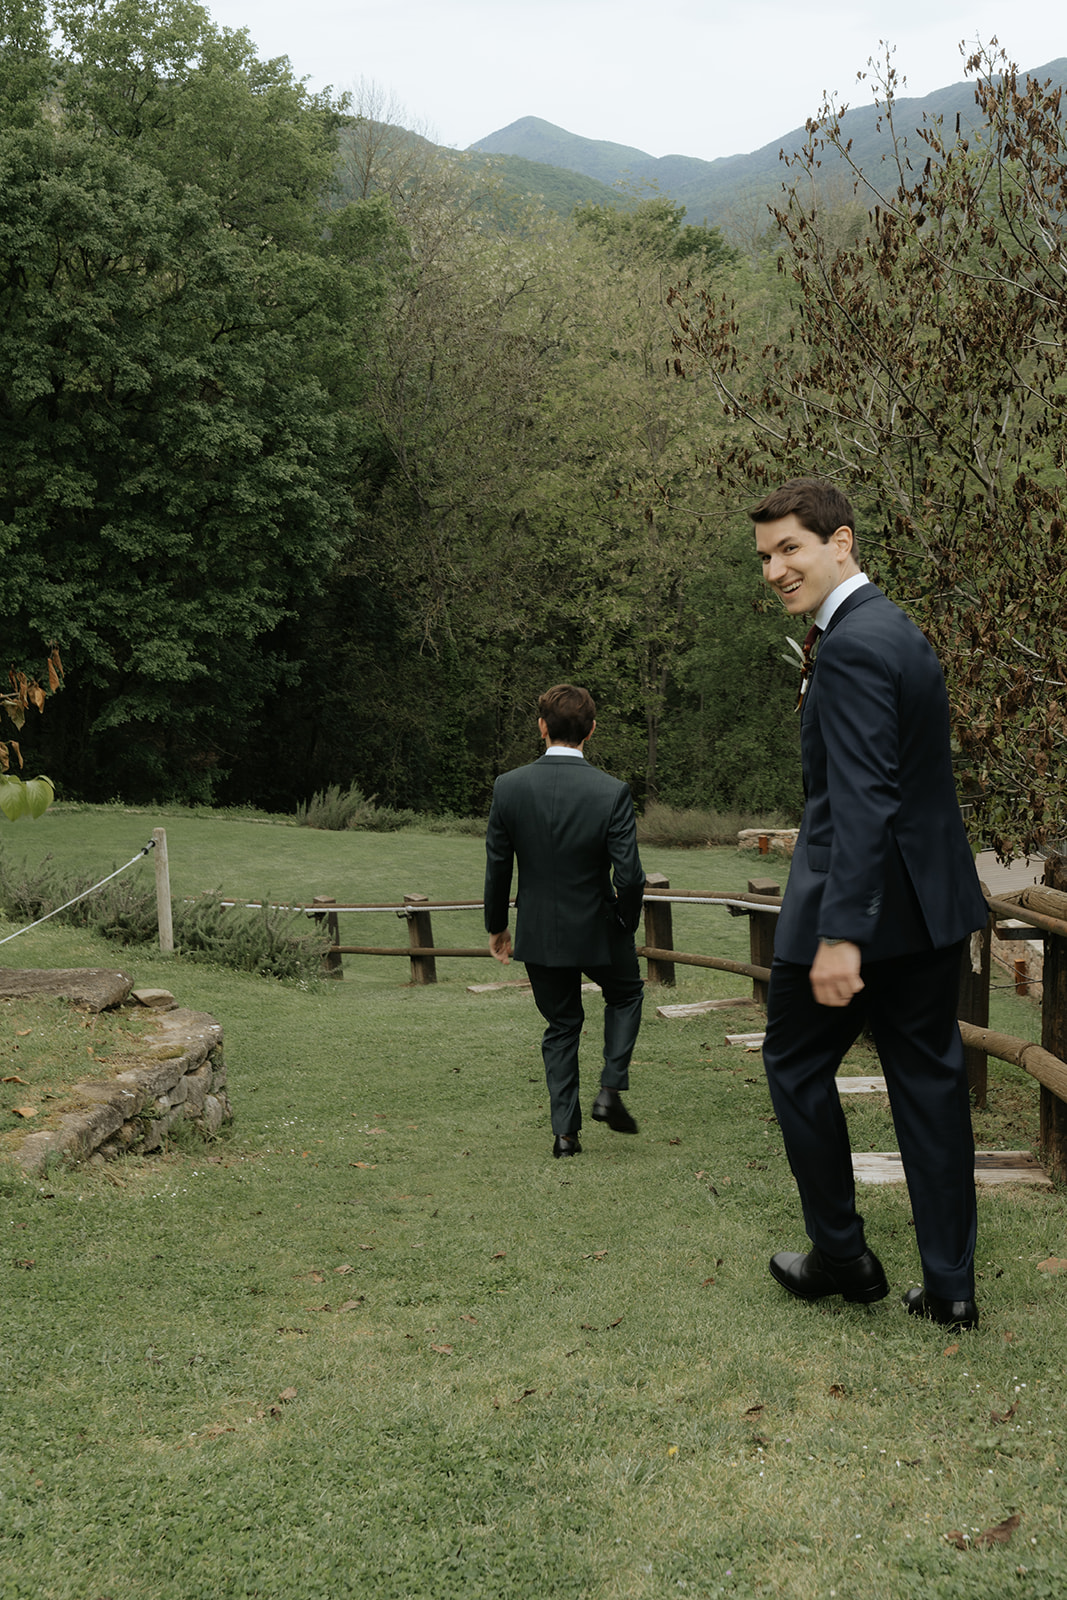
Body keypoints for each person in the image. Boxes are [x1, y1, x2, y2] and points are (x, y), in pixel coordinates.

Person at [750, 479, 989, 1331]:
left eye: (790, 550)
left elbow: (861, 799)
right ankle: (950, 1289)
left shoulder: (849, 647)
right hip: (928, 909)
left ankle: (841, 1255)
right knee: (928, 1084)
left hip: (852, 912)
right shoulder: (897, 629)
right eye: (766, 557)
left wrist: (841, 934)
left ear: (839, 542)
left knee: (793, 1064)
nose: (776, 570)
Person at [483, 684, 646, 1157]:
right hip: (599, 926)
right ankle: (611, 1089)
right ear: (591, 730)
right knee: (627, 992)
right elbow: (630, 875)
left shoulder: (508, 787)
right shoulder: (611, 791)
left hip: (538, 930)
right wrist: (625, 922)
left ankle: (565, 1135)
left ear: (541, 727)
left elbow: (498, 866)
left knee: (561, 1024)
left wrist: (497, 926)